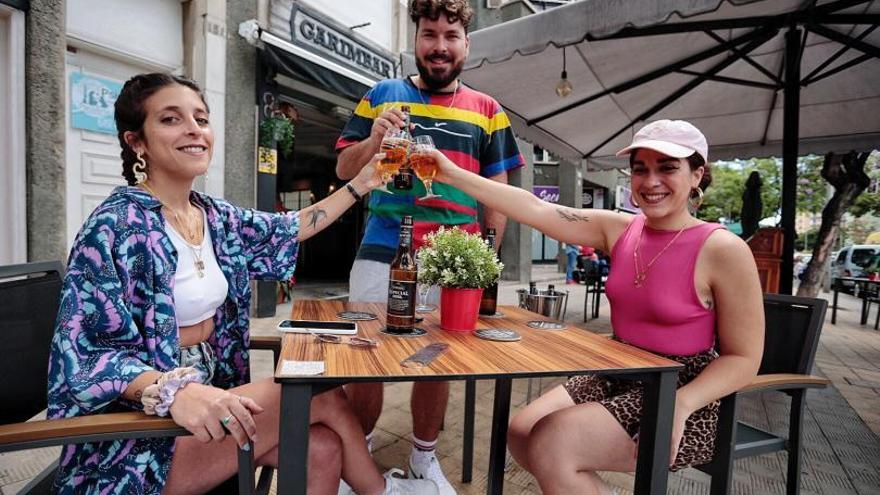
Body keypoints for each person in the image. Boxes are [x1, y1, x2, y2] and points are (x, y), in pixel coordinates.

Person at [47, 73, 439, 495]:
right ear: (136, 141)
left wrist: (361, 183)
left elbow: (290, 228)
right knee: (318, 395)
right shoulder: (114, 226)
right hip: (137, 433)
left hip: (215, 396)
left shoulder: (213, 216)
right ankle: (383, 492)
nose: (194, 129)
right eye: (171, 119)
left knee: (322, 448)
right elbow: (83, 355)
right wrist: (173, 392)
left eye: (200, 118)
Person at [428, 119, 765, 494]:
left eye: (667, 168)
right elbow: (535, 208)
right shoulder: (619, 229)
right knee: (522, 432)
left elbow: (744, 358)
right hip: (616, 371)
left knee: (553, 442)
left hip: (683, 389)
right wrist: (451, 172)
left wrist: (681, 404)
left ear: (697, 174)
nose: (650, 181)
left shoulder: (723, 249)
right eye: (640, 169)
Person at [334, 1, 524, 492]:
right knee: (365, 358)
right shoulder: (381, 95)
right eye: (429, 34)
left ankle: (422, 459)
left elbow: (497, 194)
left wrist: (484, 262)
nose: (439, 46)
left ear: (467, 43)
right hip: (382, 248)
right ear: (414, 39)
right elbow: (342, 170)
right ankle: (359, 451)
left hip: (454, 260)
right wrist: (374, 138)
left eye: (450, 36)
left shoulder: (488, 110)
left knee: (438, 362)